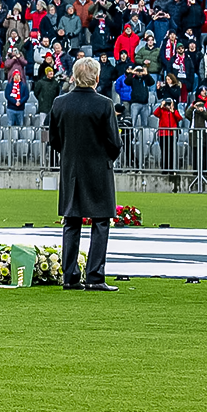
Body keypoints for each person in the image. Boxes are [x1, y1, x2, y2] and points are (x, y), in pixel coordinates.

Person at [49, 56, 120, 291]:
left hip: (71, 169)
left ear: (74, 77)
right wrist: (105, 158)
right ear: (97, 78)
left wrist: (70, 155)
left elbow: (54, 140)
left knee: (71, 221)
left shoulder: (59, 103)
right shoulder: (104, 104)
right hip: (99, 169)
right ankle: (95, 276)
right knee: (100, 221)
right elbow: (114, 142)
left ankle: (69, 276)